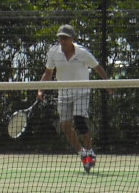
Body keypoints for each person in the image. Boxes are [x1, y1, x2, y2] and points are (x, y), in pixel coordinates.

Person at [37, 24, 110, 172]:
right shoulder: (53, 52)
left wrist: (107, 84)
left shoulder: (83, 53)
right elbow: (48, 73)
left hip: (81, 91)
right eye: (60, 38)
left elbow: (97, 67)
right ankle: (82, 153)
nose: (62, 41)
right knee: (65, 126)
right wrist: (40, 90)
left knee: (80, 120)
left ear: (72, 39)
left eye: (65, 38)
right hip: (63, 93)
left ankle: (90, 152)